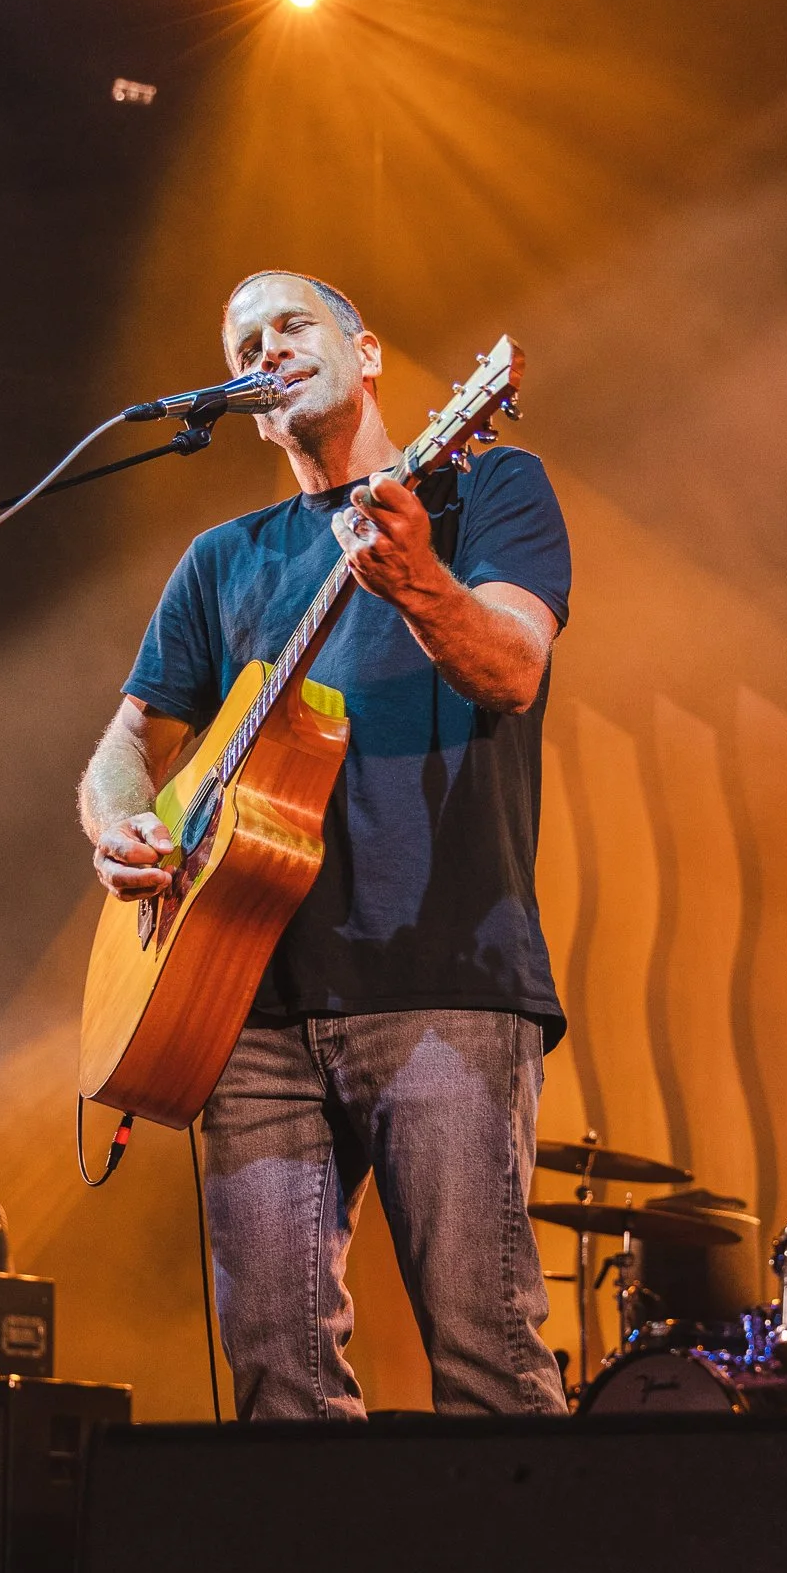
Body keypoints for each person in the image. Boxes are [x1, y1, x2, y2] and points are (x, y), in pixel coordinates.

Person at [79, 268, 571, 1419]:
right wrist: (121, 824)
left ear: (369, 351)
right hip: (243, 1004)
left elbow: (513, 667)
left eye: (291, 324)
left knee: (487, 1356)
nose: (267, 349)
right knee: (277, 1382)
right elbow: (124, 747)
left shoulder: (485, 487)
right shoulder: (222, 559)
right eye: (245, 344)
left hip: (444, 978)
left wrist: (420, 585)